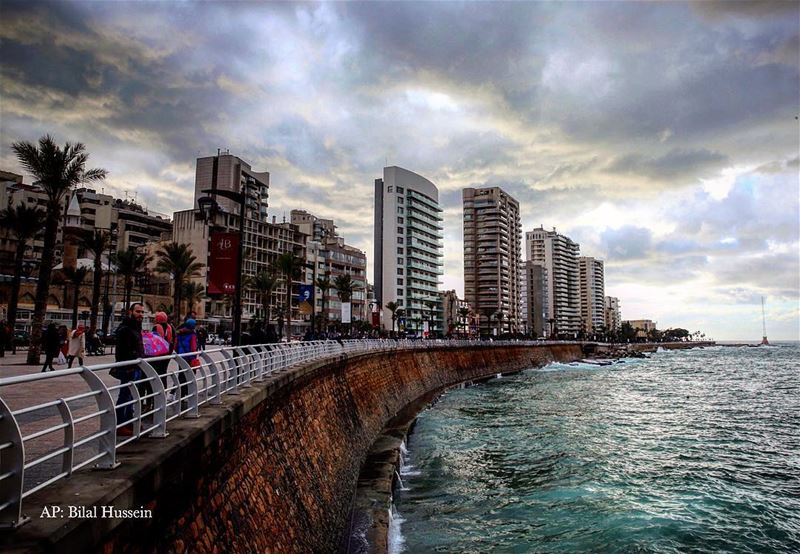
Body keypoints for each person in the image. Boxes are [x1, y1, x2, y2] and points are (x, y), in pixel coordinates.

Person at [114, 302, 145, 436]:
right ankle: (120, 424)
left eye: (142, 312)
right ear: (130, 312)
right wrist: (130, 362)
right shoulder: (125, 329)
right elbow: (123, 350)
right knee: (125, 395)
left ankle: (128, 422)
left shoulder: (135, 327)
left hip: (135, 366)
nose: (140, 315)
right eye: (138, 312)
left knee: (131, 395)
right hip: (128, 367)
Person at [175, 318, 199, 403]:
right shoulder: (192, 335)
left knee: (181, 375)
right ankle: (185, 395)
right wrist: (194, 357)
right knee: (189, 377)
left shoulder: (179, 333)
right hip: (189, 358)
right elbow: (193, 347)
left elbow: (176, 345)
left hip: (181, 357)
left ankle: (179, 395)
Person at [151, 311, 175, 390]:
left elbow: (153, 341)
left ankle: (156, 394)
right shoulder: (170, 327)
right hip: (167, 354)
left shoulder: (156, 327)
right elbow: (174, 340)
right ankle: (164, 391)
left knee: (156, 374)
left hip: (158, 355)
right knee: (163, 373)